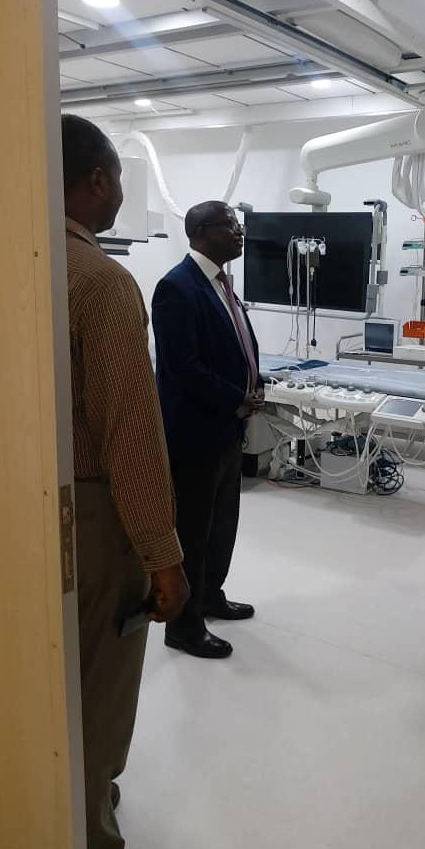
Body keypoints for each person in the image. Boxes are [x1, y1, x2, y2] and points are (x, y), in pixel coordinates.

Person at [63, 114, 190, 849]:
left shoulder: (1, 261)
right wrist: (162, 557)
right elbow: (131, 440)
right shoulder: (102, 282)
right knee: (97, 691)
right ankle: (93, 848)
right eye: (118, 180)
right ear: (98, 179)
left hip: (10, 513)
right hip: (91, 517)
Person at [152, 200, 262, 659]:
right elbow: (183, 366)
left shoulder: (221, 284)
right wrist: (236, 397)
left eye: (239, 225)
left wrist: (256, 381)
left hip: (226, 430)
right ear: (201, 231)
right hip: (195, 434)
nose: (239, 232)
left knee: (222, 524)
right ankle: (183, 626)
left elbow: (233, 345)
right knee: (193, 532)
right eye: (230, 225)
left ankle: (211, 596)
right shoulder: (176, 287)